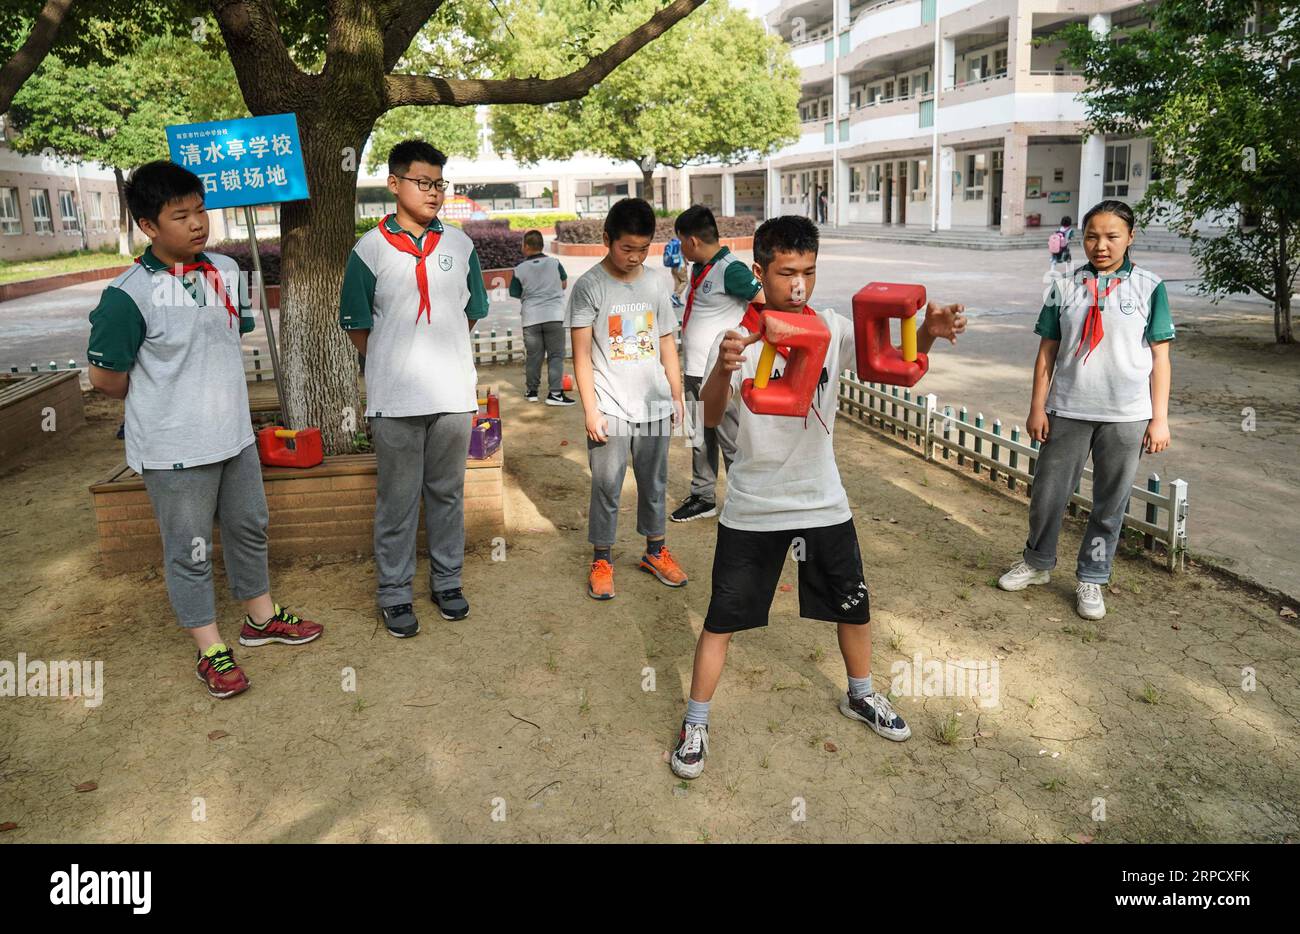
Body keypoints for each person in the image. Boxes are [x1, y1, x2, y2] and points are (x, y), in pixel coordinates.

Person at [669, 215, 967, 779]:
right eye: (786, 274)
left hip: (822, 498)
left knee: (853, 606)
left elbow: (891, 362)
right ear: (760, 273)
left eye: (808, 271)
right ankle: (697, 720)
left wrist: (929, 331)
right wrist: (720, 373)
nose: (799, 285)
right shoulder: (736, 340)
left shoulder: (832, 327)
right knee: (722, 619)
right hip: (755, 504)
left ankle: (860, 693)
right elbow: (707, 419)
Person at [86, 160, 322, 699]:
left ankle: (260, 620)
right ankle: (209, 647)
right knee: (190, 548)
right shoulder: (127, 296)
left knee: (249, 527)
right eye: (180, 215)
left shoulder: (224, 270)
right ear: (148, 227)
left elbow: (227, 334)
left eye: (200, 211)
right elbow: (105, 378)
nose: (197, 224)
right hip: (174, 449)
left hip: (233, 436)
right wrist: (163, 400)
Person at [339, 140, 489, 637]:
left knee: (447, 494)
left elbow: (469, 314)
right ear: (394, 185)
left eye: (439, 183)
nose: (433, 193)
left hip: (452, 397)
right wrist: (395, 360)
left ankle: (447, 581)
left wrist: (437, 354)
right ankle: (395, 592)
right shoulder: (369, 249)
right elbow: (360, 327)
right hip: (395, 399)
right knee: (398, 500)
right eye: (422, 182)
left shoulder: (461, 246)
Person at [998, 200, 1174, 621]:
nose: (1101, 245)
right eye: (1092, 236)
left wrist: (1160, 417)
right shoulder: (1063, 286)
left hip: (1127, 415)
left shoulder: (1150, 287)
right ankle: (1038, 563)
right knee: (1047, 495)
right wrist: (1037, 407)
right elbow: (1047, 353)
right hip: (1069, 408)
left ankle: (1092, 577)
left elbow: (1161, 358)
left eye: (1113, 236)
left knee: (1109, 504)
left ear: (1130, 237)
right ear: (1082, 237)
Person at [569, 198, 688, 600]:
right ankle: (602, 558)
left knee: (654, 480)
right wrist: (591, 409)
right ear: (607, 239)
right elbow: (581, 354)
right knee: (607, 484)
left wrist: (676, 394)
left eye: (643, 249)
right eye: (626, 248)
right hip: (610, 404)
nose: (635, 257)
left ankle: (655, 551)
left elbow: (667, 342)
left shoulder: (656, 282)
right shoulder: (589, 286)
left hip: (653, 401)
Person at [669, 204, 763, 524]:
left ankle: (745, 500)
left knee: (730, 441)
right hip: (694, 370)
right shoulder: (699, 267)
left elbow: (764, 303)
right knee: (699, 437)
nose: (680, 248)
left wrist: (745, 341)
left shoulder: (731, 269)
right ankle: (703, 496)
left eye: (681, 241)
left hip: (718, 373)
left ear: (692, 241)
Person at [510, 229, 574, 405]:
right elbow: (563, 283)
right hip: (554, 316)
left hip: (531, 318)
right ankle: (555, 394)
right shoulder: (555, 263)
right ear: (541, 245)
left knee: (534, 356)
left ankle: (532, 392)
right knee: (555, 356)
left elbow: (515, 292)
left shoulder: (519, 269)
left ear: (527, 246)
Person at [663, 234, 688, 308]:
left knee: (677, 282)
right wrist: (686, 261)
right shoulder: (681, 243)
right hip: (681, 266)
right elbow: (684, 254)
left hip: (673, 266)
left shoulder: (672, 243)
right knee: (685, 281)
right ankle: (675, 296)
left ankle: (676, 302)